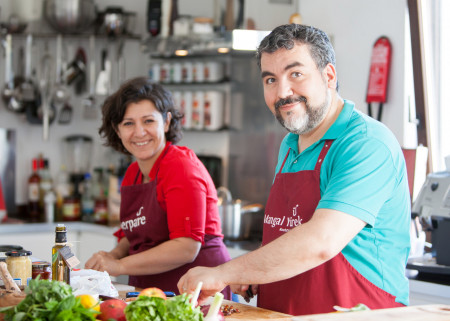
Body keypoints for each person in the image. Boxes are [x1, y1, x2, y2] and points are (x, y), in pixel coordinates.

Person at [178, 24, 411, 315]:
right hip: (283, 312)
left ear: (328, 76)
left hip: (356, 311)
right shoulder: (290, 144)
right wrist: (254, 271)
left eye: (296, 74)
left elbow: (321, 242)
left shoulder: (365, 143)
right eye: (270, 79)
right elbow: (290, 231)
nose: (282, 92)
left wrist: (224, 273)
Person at [85, 77, 232, 299]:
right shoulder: (133, 173)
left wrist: (120, 266)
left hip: (195, 295)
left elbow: (186, 247)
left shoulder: (180, 167)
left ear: (166, 122)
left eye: (148, 121)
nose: (139, 132)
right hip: (152, 293)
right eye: (128, 123)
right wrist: (112, 255)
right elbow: (137, 231)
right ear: (117, 130)